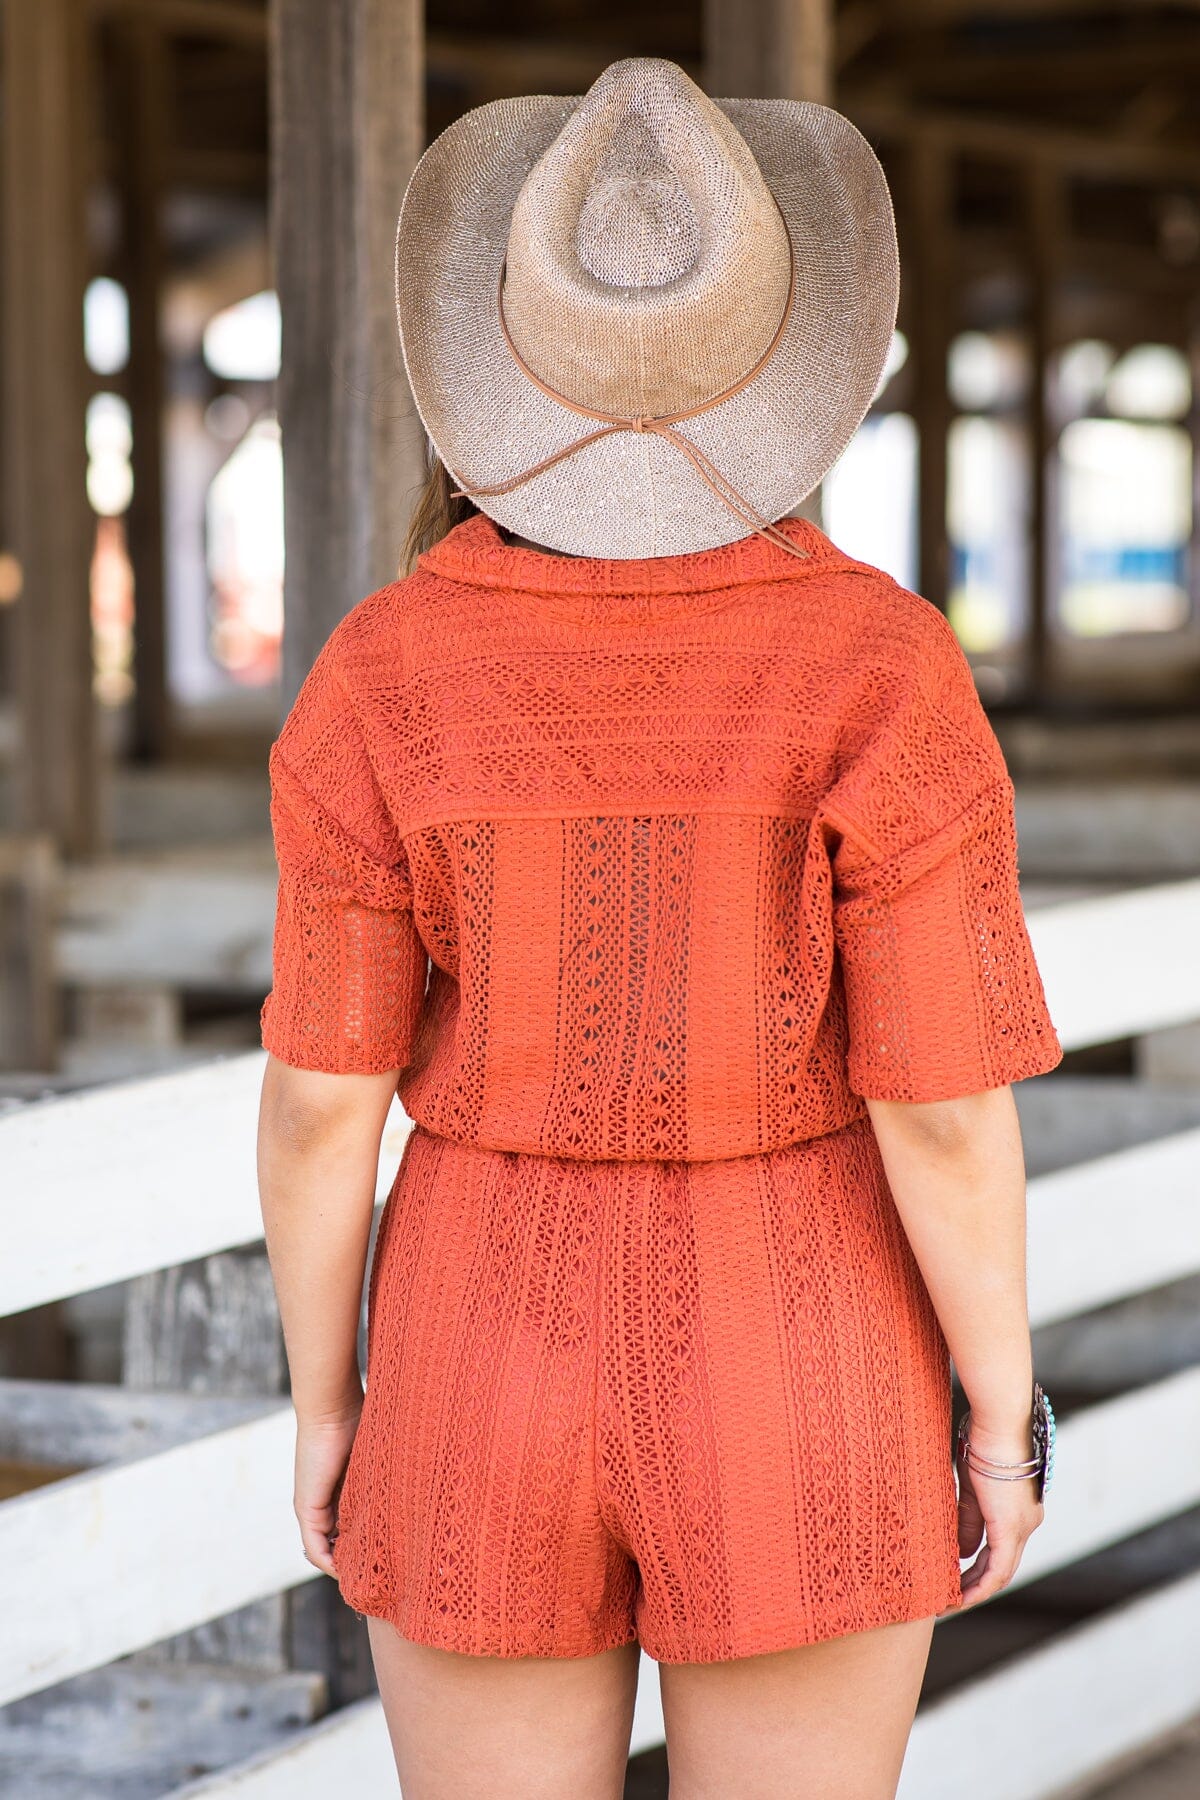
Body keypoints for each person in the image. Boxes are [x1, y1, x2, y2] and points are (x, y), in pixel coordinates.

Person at [255, 56, 1063, 1800]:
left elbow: (326, 1102)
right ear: (786, 364)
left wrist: (331, 1402)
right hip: (802, 1335)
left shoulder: (382, 670)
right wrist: (1003, 1409)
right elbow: (938, 1103)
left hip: (474, 1337)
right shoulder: (883, 670)